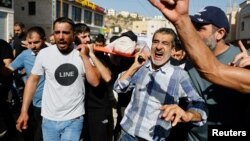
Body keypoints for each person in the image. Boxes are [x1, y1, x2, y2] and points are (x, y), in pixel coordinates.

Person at [113, 27, 207, 141]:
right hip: (127, 135)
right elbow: (118, 87)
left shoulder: (179, 76)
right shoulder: (142, 67)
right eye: (155, 42)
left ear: (172, 50)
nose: (158, 47)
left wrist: (189, 115)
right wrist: (135, 66)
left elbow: (199, 103)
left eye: (165, 43)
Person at [15, 17, 100, 141]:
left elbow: (95, 81)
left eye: (65, 33)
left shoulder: (81, 54)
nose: (60, 37)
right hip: (49, 119)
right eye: (57, 32)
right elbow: (32, 81)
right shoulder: (44, 54)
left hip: (74, 119)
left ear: (73, 35)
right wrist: (24, 111)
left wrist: (85, 57)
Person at [148, 0, 250, 93]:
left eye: (200, 28)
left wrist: (180, 20)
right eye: (193, 27)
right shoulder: (190, 60)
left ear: (220, 33)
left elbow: (211, 70)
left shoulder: (243, 59)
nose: (194, 32)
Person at [74, 23, 114, 141]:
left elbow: (107, 77)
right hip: (80, 110)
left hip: (99, 109)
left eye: (88, 36)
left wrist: (91, 54)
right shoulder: (72, 56)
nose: (88, 39)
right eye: (84, 37)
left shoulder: (100, 56)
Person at [9, 26, 47, 141]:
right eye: (30, 43)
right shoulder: (26, 55)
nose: (33, 46)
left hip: (51, 104)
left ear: (44, 40)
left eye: (36, 42)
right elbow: (10, 68)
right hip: (34, 104)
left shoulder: (52, 53)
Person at [0, 39, 15, 140]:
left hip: (2, 82)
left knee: (3, 107)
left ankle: (11, 132)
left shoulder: (2, 45)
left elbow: (8, 65)